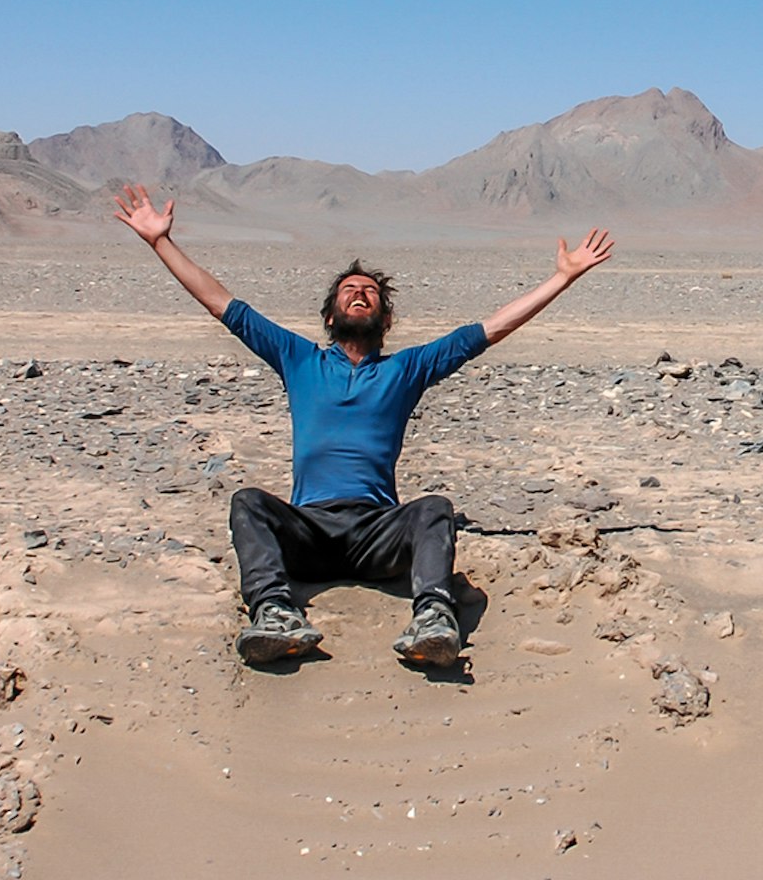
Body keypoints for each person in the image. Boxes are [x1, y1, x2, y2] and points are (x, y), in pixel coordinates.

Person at [113, 183, 613, 669]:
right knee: (248, 502)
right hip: (308, 532)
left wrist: (562, 279)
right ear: (330, 316)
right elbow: (222, 304)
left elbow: (489, 330)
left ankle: (434, 618)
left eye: (370, 293)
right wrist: (161, 242)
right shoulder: (297, 358)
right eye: (349, 290)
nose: (359, 295)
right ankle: (274, 612)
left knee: (435, 508)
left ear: (385, 318)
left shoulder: (406, 369)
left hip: (378, 533)